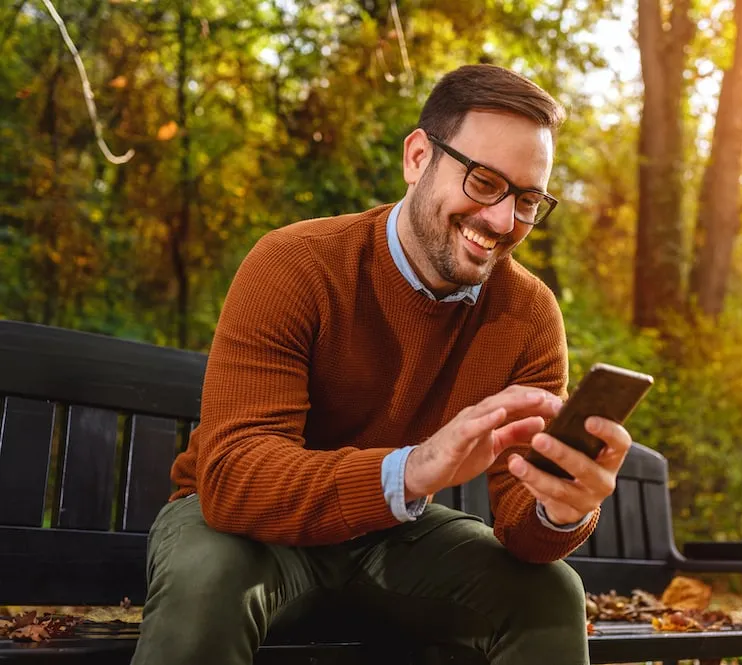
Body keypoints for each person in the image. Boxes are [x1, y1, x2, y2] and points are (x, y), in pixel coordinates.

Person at [131, 64, 634, 665]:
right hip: (242, 532)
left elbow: (524, 530)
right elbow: (236, 480)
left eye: (527, 200)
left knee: (550, 591)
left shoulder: (529, 315)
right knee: (209, 573)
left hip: (390, 538)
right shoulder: (294, 264)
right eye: (483, 182)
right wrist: (414, 470)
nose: (502, 221)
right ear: (419, 157)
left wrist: (561, 509)